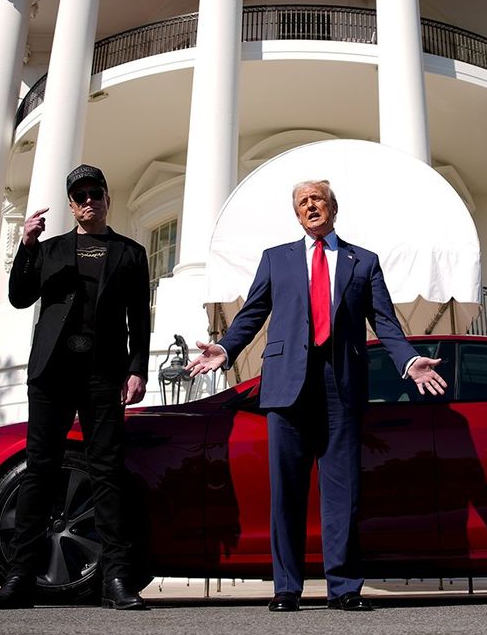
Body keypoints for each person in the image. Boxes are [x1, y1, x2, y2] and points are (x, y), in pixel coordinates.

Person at [186, 180, 446, 612]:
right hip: (286, 383)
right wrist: (227, 348)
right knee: (285, 491)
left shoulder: (363, 261)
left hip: (339, 384)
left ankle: (343, 588)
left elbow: (385, 322)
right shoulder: (276, 259)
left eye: (318, 199)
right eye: (303, 202)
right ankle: (286, 587)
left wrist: (407, 360)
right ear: (297, 214)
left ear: (333, 208)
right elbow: (253, 313)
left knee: (342, 491)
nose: (311, 206)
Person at [0, 164, 151, 611]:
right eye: (80, 196)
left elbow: (141, 318)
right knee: (40, 470)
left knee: (107, 472)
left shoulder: (130, 253)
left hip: (104, 373)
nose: (89, 201)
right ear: (72, 205)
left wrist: (138, 369)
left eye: (96, 193)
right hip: (53, 372)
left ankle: (116, 580)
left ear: (106, 198)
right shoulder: (52, 249)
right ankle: (20, 577)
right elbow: (20, 296)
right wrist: (27, 245)